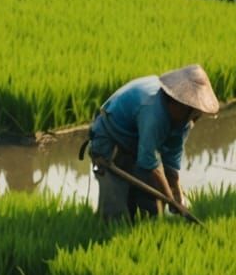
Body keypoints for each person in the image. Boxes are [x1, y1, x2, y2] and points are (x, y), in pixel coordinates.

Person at [86, 64, 219, 221]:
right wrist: (169, 199)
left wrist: (178, 196)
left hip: (134, 141)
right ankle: (108, 233)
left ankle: (143, 228)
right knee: (115, 210)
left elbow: (172, 158)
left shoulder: (182, 120)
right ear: (180, 104)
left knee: (149, 202)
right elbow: (149, 161)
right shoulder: (153, 112)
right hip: (109, 139)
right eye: (193, 112)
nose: (194, 118)